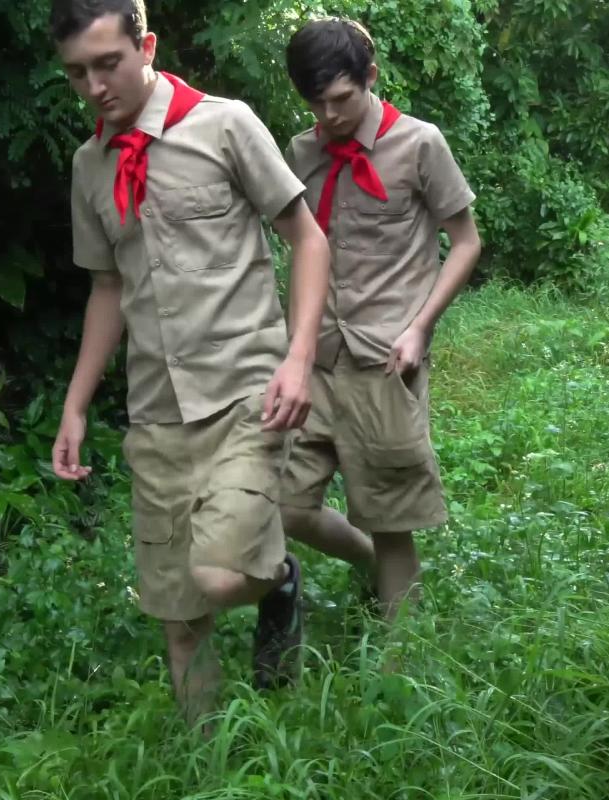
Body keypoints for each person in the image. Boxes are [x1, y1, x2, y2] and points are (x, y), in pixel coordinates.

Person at [48, 0, 330, 730]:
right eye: (77, 72)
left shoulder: (225, 124)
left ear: (146, 45)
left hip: (248, 390)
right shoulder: (89, 165)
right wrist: (77, 404)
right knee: (178, 616)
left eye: (108, 63)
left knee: (217, 574)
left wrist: (299, 359)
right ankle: (206, 776)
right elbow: (107, 287)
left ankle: (278, 582)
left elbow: (308, 238)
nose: (95, 86)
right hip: (157, 411)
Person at [279, 17, 482, 625]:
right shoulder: (301, 153)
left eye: (340, 98)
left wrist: (420, 326)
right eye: (315, 102)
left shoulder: (420, 144)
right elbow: (300, 253)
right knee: (285, 503)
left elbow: (466, 242)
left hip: (384, 358)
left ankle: (401, 668)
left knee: (393, 518)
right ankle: (368, 564)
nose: (329, 114)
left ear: (370, 77)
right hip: (316, 359)